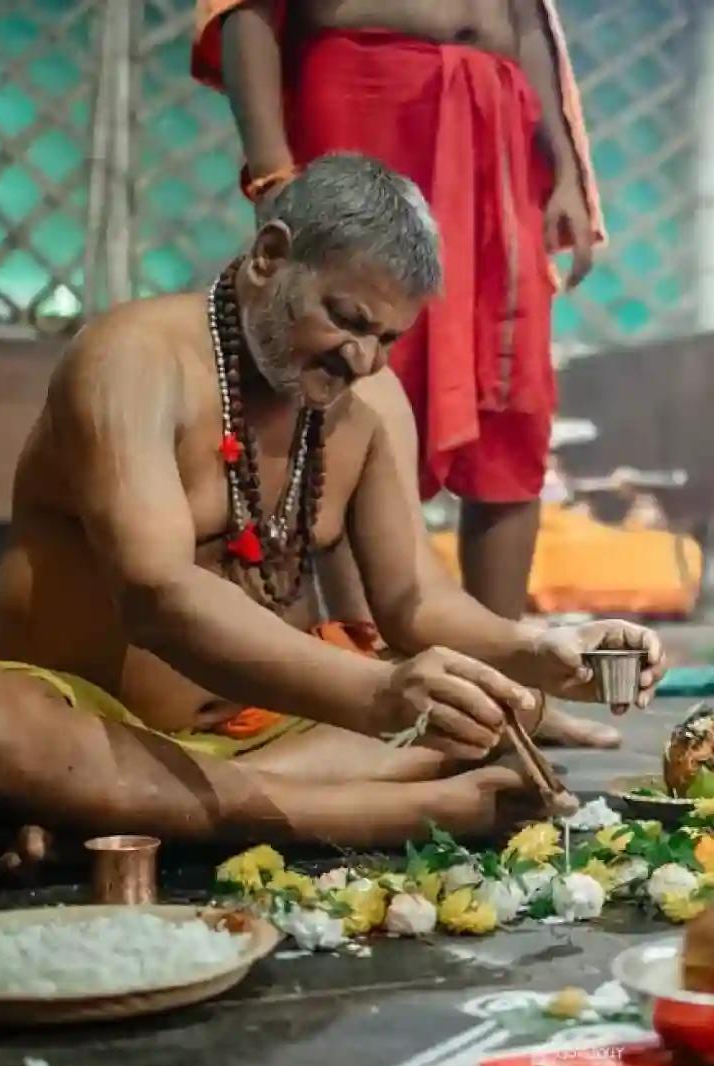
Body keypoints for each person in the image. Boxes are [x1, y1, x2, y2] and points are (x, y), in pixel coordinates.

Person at [0, 155, 663, 864]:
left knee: (483, 709)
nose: (362, 359)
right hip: (93, 726)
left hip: (271, 738)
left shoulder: (367, 400)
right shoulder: (130, 361)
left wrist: (543, 653)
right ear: (269, 258)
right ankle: (403, 813)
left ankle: (114, 822)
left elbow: (414, 600)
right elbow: (157, 596)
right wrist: (379, 697)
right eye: (348, 319)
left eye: (387, 338)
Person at [192, 0, 612, 746]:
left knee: (510, 403)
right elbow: (241, 8)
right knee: (353, 370)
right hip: (366, 94)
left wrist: (568, 170)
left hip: (500, 120)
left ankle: (501, 692)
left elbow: (530, 17)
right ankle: (368, 672)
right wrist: (270, 170)